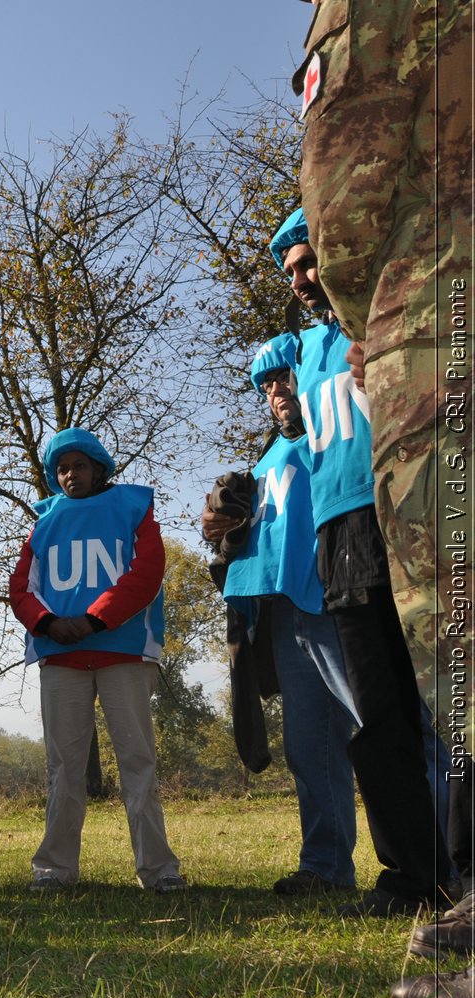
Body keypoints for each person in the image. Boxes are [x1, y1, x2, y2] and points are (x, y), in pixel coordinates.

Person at [267, 209, 453, 919]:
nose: (303, 279)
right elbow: (299, 439)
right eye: (290, 271)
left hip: (412, 515)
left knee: (445, 704)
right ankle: (416, 876)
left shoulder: (407, 309)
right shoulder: (307, 348)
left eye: (310, 260)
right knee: (378, 717)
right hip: (338, 535)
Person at [206, 338, 359, 894]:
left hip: (332, 598)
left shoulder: (333, 441)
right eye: (266, 384)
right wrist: (221, 529)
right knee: (309, 746)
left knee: (387, 727)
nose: (276, 391)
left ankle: (450, 861)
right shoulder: (267, 458)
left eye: (284, 376)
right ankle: (325, 868)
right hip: (279, 612)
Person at [9, 427, 184, 894]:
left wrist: (92, 620)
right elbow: (22, 588)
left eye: (80, 465)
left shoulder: (133, 508)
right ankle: (54, 870)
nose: (71, 475)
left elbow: (145, 573)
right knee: (63, 767)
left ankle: (159, 869)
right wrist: (48, 625)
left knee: (137, 760)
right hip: (62, 656)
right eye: (62, 468)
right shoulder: (42, 521)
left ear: (99, 467)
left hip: (121, 651)